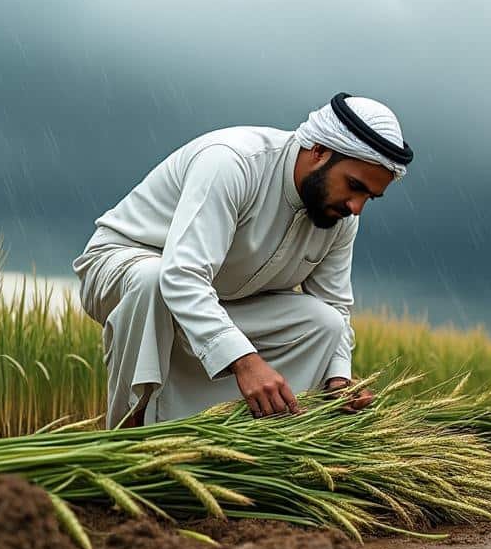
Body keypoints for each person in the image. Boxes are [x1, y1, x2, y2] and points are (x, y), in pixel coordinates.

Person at [72, 93, 412, 427]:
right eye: (353, 186)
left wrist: (338, 378)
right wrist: (245, 362)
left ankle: (247, 443)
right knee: (153, 279)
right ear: (319, 151)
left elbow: (334, 305)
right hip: (123, 267)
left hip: (220, 297)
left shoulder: (341, 218)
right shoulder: (232, 162)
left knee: (325, 324)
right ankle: (131, 436)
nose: (356, 206)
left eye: (369, 196)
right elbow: (183, 275)